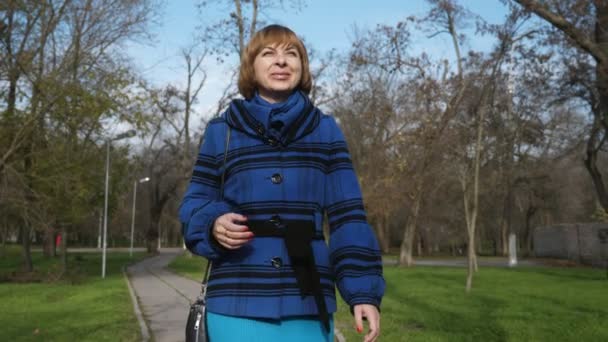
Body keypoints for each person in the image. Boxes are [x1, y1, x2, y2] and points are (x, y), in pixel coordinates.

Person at [180, 24, 385, 342]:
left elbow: (348, 217)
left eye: (291, 53)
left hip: (306, 299)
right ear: (251, 66)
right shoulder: (222, 130)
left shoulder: (326, 130)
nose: (281, 61)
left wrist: (362, 292)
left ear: (302, 67)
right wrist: (212, 224)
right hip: (237, 295)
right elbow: (195, 203)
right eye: (268, 53)